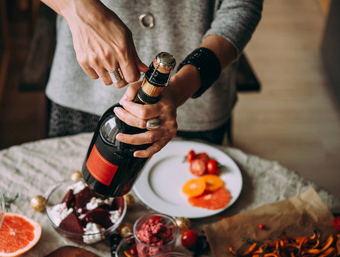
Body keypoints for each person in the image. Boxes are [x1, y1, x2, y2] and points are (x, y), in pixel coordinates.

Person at [42, 0, 263, 158]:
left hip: (194, 108)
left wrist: (180, 90)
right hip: (82, 92)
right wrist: (77, 9)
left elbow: (242, 5)